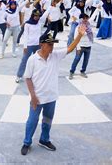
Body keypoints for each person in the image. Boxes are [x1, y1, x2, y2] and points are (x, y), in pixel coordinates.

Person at [21, 26, 87, 156]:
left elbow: (70, 48)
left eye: (53, 44)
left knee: (47, 121)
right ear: (41, 44)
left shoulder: (55, 56)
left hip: (51, 98)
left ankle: (44, 140)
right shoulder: (33, 59)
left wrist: (79, 35)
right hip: (38, 98)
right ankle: (27, 142)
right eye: (49, 44)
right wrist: (33, 96)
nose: (52, 47)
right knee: (32, 122)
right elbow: (27, 78)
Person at [69, 13, 94, 79]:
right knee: (77, 59)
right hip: (81, 46)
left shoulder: (89, 25)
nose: (85, 19)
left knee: (86, 60)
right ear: (81, 19)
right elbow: (75, 38)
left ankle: (83, 71)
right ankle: (72, 72)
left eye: (86, 18)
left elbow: (93, 16)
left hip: (88, 46)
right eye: (84, 18)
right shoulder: (78, 27)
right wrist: (78, 47)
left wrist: (97, 9)